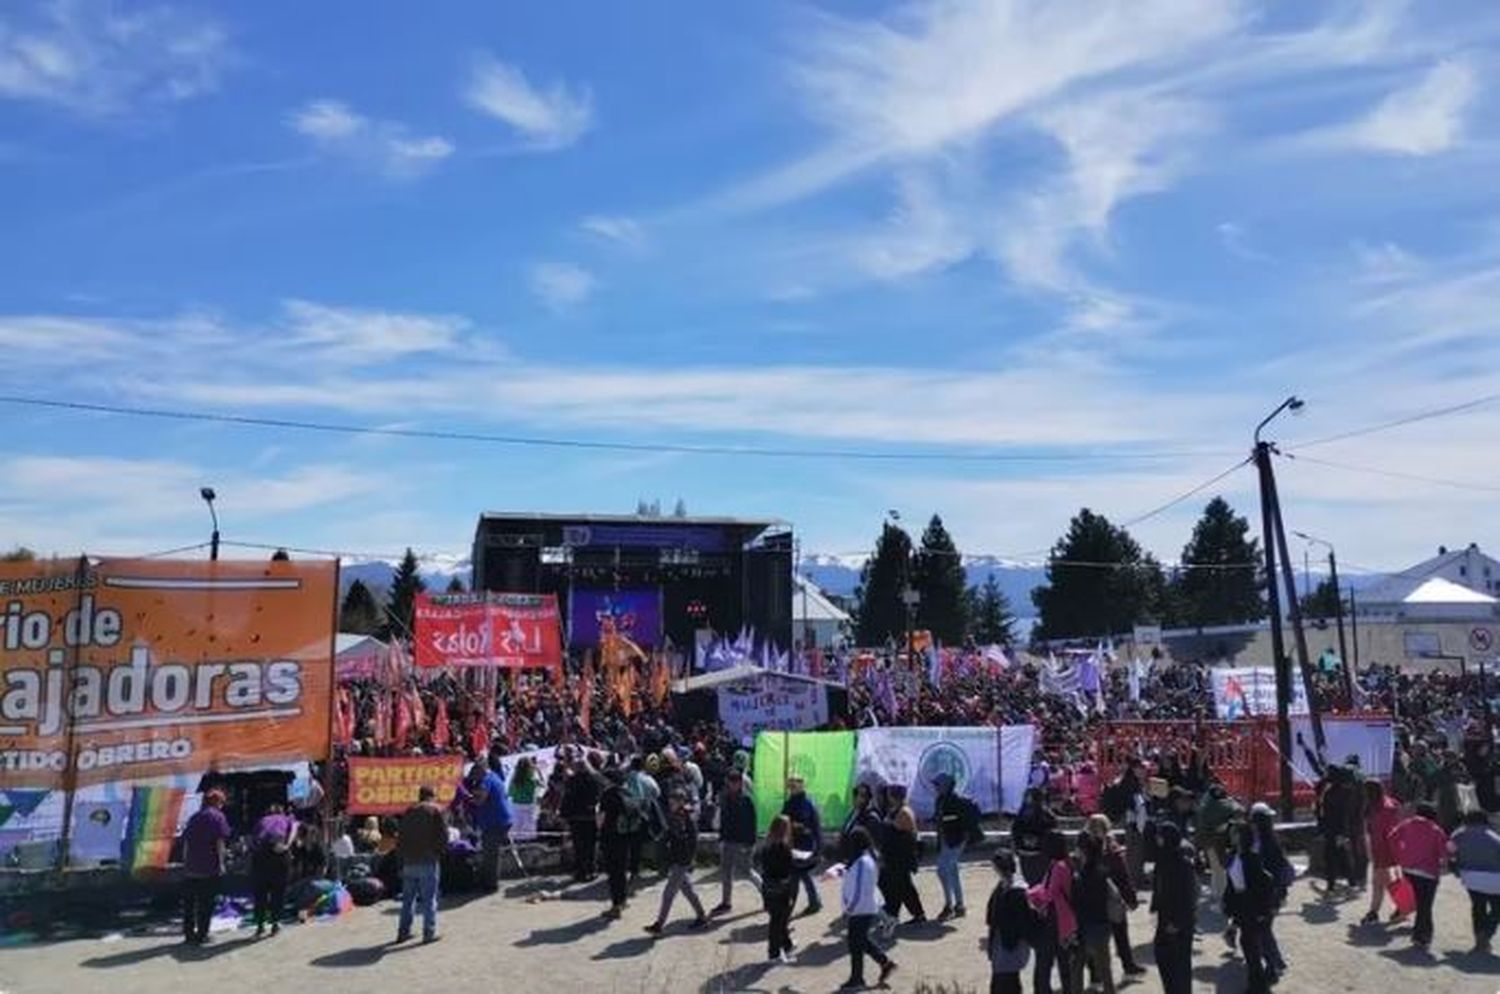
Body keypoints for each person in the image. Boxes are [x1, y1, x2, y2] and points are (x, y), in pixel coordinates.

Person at [1085, 814, 1143, 977]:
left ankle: (1097, 973)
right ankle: (1126, 965)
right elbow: (1122, 874)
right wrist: (1130, 898)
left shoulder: (1086, 848)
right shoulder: (1111, 848)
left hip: (1099, 898)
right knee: (1118, 933)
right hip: (1109, 897)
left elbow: (1123, 874)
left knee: (1102, 936)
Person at [840, 826, 897, 990]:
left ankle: (857, 978)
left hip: (860, 909)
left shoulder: (862, 862)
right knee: (861, 940)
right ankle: (885, 963)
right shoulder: (868, 858)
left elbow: (857, 889)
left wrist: (848, 909)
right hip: (867, 907)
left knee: (855, 944)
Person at [644, 790, 707, 935]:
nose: (671, 804)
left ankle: (659, 925)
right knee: (688, 890)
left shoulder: (684, 817)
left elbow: (689, 840)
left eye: (674, 802)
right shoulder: (678, 815)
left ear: (681, 801)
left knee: (668, 893)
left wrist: (686, 858)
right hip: (678, 858)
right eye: (670, 802)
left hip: (681, 860)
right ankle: (702, 916)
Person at [1224, 821, 1276, 994]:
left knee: (1251, 944)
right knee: (1248, 944)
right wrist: (1229, 907)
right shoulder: (1232, 856)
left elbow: (1263, 884)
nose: (1232, 836)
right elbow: (1231, 884)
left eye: (1235, 833)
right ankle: (1258, 982)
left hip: (1252, 904)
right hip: (1241, 903)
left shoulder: (1251, 857)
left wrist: (1263, 910)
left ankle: (1258, 985)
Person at [1391, 801, 1448, 950]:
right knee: (1425, 906)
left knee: (1415, 901)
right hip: (1428, 873)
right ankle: (1421, 936)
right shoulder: (1436, 830)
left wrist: (1400, 854)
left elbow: (1392, 837)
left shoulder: (1406, 824)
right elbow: (1443, 854)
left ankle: (1412, 926)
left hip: (1408, 869)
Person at [396, 784, 447, 944]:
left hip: (408, 861)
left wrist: (400, 862)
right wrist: (438, 853)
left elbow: (400, 839)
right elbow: (443, 836)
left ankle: (403, 932)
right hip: (427, 860)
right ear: (432, 795)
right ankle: (429, 932)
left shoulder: (408, 812)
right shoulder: (436, 810)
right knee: (429, 899)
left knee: (408, 900)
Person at [179, 789, 231, 946]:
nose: (222, 806)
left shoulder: (194, 817)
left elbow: (186, 843)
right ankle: (202, 935)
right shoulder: (218, 817)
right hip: (208, 867)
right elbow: (219, 842)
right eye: (222, 802)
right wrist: (222, 863)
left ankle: (189, 935)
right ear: (217, 802)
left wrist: (185, 862)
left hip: (191, 867)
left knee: (190, 904)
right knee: (206, 903)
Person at [1029, 831, 1077, 994]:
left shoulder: (1058, 867)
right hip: (1065, 918)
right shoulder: (1066, 862)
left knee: (1046, 961)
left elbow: (1049, 894)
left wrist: (1031, 893)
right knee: (1065, 962)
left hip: (1056, 918)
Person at [1151, 822, 1196, 994]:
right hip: (1164, 920)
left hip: (1180, 924)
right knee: (1165, 961)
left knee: (1180, 966)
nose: (1157, 839)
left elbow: (1188, 897)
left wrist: (1177, 923)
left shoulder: (1183, 864)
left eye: (1160, 835)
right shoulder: (1162, 859)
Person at [1249, 803, 1290, 983]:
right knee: (1264, 930)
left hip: (1266, 895)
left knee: (1262, 931)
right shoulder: (1270, 841)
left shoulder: (1263, 845)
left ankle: (1273, 965)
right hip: (1272, 894)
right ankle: (1277, 961)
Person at [1070, 835, 1117, 994]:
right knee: (1105, 970)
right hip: (1102, 925)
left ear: (1084, 851)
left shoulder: (1079, 876)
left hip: (1083, 927)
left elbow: (1075, 903)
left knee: (1076, 968)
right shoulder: (1103, 872)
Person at [1450, 808, 1500, 952]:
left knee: (1478, 908)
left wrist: (1456, 869)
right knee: (1497, 909)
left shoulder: (1458, 834)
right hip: (1495, 879)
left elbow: (1450, 853)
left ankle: (1480, 939)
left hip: (1470, 877)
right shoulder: (1493, 836)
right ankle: (1486, 935)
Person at [985, 850, 1034, 994]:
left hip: (1008, 944)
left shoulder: (1012, 890)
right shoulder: (1011, 886)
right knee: (1009, 981)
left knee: (1004, 984)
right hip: (1008, 944)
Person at [714, 769, 762, 914]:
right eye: (730, 782)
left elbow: (752, 824)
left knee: (747, 872)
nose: (732, 785)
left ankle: (767, 894)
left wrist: (750, 844)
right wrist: (721, 838)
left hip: (742, 842)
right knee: (726, 872)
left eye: (734, 782)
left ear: (740, 783)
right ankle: (726, 902)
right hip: (728, 840)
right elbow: (724, 819)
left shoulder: (747, 800)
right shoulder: (726, 797)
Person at [878, 786, 926, 925]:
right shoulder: (894, 810)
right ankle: (893, 913)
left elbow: (898, 828)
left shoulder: (904, 812)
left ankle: (917, 914)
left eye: (890, 795)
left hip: (901, 856)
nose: (888, 798)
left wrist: (888, 823)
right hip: (892, 856)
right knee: (890, 884)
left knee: (903, 886)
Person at [933, 772, 978, 919]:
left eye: (938, 785)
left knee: (942, 869)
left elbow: (964, 820)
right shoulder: (940, 800)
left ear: (946, 786)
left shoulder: (957, 800)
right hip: (945, 841)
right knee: (952, 871)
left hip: (956, 841)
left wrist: (963, 836)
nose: (936, 787)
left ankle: (949, 905)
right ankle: (959, 905)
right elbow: (941, 819)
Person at [249, 802, 297, 938]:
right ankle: (275, 925)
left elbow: (253, 840)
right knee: (278, 891)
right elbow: (293, 830)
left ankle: (260, 926)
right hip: (279, 854)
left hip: (260, 856)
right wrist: (287, 845)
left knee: (260, 892)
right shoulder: (287, 819)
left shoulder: (262, 820)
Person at [1361, 779, 1404, 925]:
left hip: (1381, 849)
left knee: (1381, 882)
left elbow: (1379, 832)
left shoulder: (1379, 808)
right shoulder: (1389, 803)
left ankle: (1397, 908)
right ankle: (1379, 910)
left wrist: (1372, 853)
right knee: (1382, 882)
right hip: (1388, 848)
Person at [466, 761, 513, 892]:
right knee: (492, 852)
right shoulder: (494, 776)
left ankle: (490, 885)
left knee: (490, 854)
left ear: (480, 771)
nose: (474, 780)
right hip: (502, 819)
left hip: (494, 821)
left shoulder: (486, 781)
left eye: (475, 776)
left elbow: (481, 800)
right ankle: (489, 880)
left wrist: (470, 799)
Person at [757, 814, 797, 964]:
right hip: (781, 888)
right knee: (778, 921)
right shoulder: (783, 847)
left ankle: (787, 945)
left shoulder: (767, 844)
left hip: (768, 887)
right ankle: (774, 953)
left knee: (779, 919)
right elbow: (788, 868)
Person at [781, 776, 823, 915]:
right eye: (790, 786)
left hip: (803, 846)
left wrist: (818, 847)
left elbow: (812, 825)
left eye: (794, 786)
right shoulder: (790, 803)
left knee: (798, 874)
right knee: (800, 874)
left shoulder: (806, 804)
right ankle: (813, 901)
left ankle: (793, 905)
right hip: (792, 844)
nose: (791, 788)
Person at [598, 767, 632, 919]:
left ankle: (616, 906)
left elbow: (601, 820)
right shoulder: (626, 792)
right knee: (622, 870)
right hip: (625, 835)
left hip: (610, 836)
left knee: (613, 872)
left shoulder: (607, 795)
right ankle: (623, 900)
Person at [562, 754, 602, 882]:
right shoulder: (594, 780)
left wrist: (564, 814)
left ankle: (580, 871)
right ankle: (591, 870)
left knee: (578, 846)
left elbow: (567, 799)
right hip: (590, 815)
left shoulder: (572, 781)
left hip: (576, 817)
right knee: (590, 845)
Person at [625, 754, 661, 882]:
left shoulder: (630, 777)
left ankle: (634, 870)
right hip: (648, 814)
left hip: (633, 814)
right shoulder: (648, 778)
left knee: (633, 844)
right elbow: (657, 792)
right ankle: (656, 865)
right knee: (645, 842)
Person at [1011, 788, 1058, 886]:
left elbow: (1052, 831)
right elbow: (1015, 832)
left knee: (1036, 881)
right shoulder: (1044, 814)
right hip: (1031, 854)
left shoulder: (1045, 815)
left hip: (1037, 854)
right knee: (1036, 881)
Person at [508, 755, 539, 840]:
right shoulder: (532, 779)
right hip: (529, 804)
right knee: (529, 826)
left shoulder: (514, 779)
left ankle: (515, 843)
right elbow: (535, 791)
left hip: (516, 804)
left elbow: (510, 793)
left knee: (516, 825)